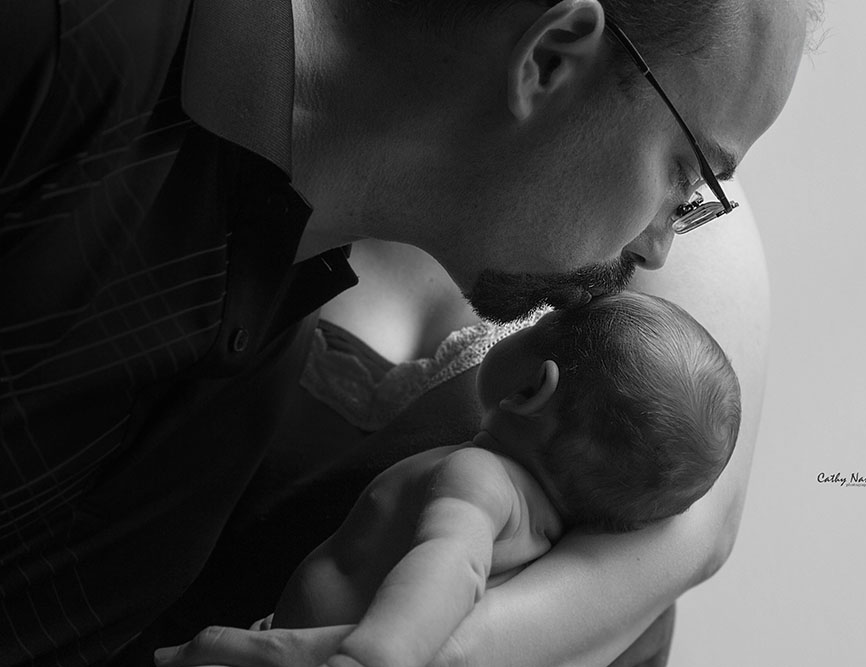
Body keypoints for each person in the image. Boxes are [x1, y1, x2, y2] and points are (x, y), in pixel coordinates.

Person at [1, 0, 812, 664]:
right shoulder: (71, 55)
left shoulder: (260, 320)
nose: (664, 246)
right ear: (548, 58)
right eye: (685, 172)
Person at [266, 291, 741, 667]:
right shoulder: (541, 532)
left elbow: (451, 566)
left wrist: (376, 654)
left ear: (532, 389)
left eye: (533, 327)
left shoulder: (479, 479)